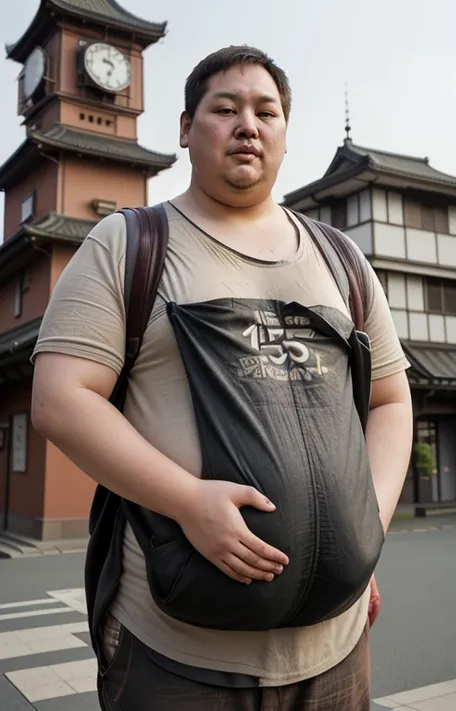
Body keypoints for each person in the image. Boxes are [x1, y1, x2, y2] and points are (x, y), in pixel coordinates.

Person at [31, 46, 413, 711]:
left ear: (285, 133)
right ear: (185, 127)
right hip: (179, 654)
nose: (248, 124)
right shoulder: (130, 244)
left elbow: (388, 397)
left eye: (267, 111)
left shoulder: (342, 260)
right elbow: (62, 399)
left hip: (338, 649)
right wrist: (186, 499)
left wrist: (366, 524)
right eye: (225, 108)